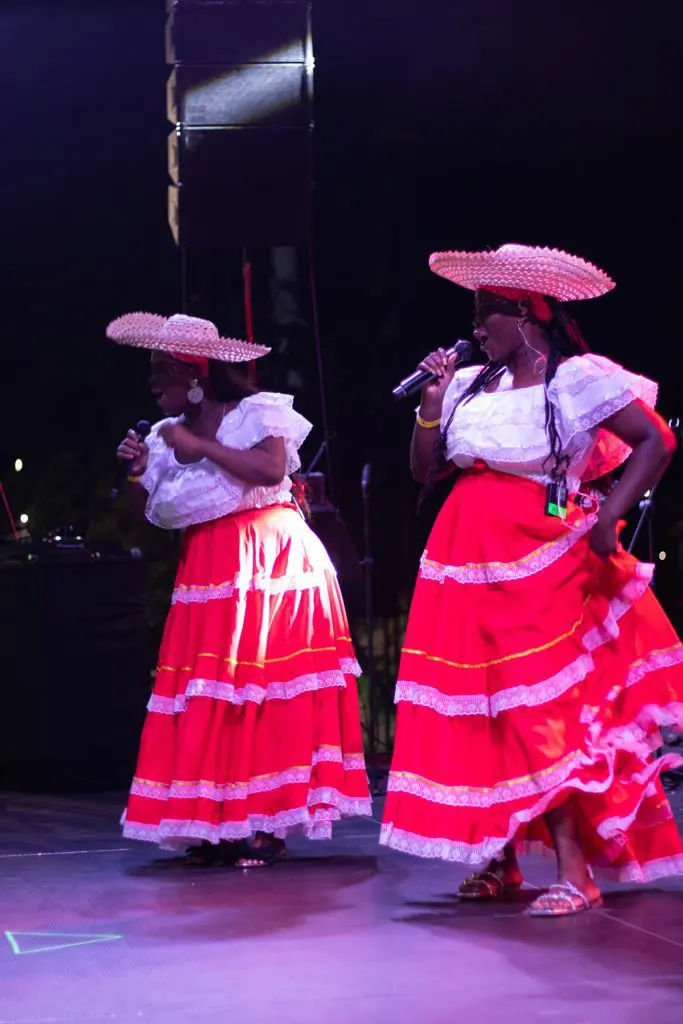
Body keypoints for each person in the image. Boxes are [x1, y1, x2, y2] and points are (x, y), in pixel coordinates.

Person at [380, 244, 683, 915]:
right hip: (461, 554)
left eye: (485, 313)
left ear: (525, 315)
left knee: (536, 709)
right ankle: (497, 860)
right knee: (474, 709)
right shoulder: (466, 384)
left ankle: (574, 872)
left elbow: (656, 440)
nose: (475, 327)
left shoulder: (573, 380)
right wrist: (430, 402)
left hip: (537, 553)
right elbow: (423, 467)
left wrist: (609, 515)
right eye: (475, 313)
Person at [107, 312, 371, 866]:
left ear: (194, 371)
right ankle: (215, 823)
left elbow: (272, 469)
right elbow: (147, 516)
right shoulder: (161, 436)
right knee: (213, 698)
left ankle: (267, 823)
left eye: (161, 370)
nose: (153, 383)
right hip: (207, 573)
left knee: (264, 692)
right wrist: (134, 474)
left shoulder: (255, 411)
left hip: (268, 562)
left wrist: (201, 446)